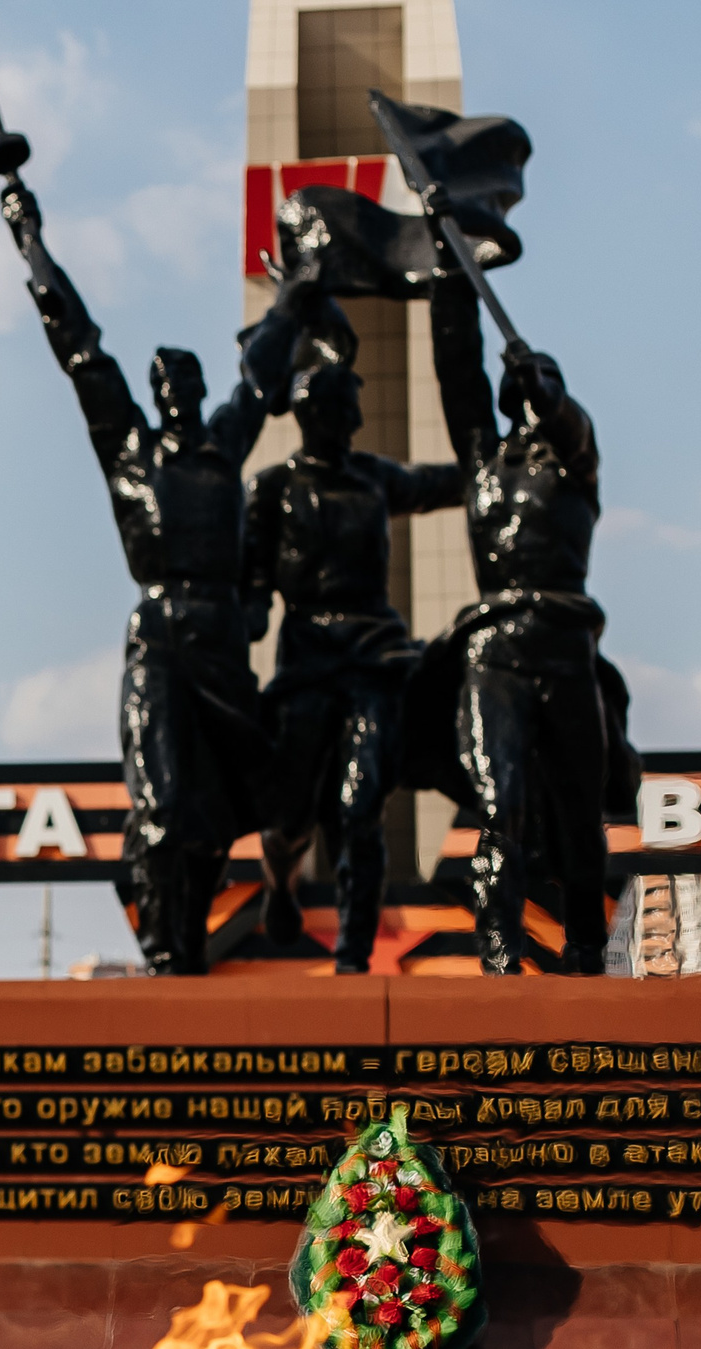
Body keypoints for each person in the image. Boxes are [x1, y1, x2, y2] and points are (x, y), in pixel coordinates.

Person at [0, 174, 328, 973]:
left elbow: (260, 379)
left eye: (187, 381)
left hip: (219, 640)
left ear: (198, 389)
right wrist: (31, 241)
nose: (176, 391)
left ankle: (217, 918)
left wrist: (300, 293)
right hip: (160, 641)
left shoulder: (221, 446)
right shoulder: (128, 451)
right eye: (165, 384)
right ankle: (163, 943)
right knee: (162, 797)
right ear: (153, 393)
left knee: (233, 803)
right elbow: (79, 348)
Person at [406, 239, 634, 974]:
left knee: (577, 813)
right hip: (494, 652)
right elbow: (455, 369)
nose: (531, 397)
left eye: (545, 386)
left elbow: (570, 423)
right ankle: (498, 947)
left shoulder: (576, 463)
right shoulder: (483, 465)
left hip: (564, 647)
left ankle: (587, 946)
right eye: (527, 386)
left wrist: (551, 391)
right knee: (499, 802)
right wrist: (450, 274)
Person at [245, 364, 463, 974]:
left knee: (360, 805)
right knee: (290, 812)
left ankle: (354, 953)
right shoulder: (270, 489)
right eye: (335, 410)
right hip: (308, 660)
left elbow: (433, 485)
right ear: (309, 416)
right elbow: (253, 578)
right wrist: (248, 614)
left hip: (375, 657)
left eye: (350, 411)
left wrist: (493, 465)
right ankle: (281, 881)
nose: (348, 423)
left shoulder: (373, 478)